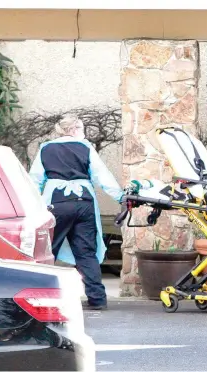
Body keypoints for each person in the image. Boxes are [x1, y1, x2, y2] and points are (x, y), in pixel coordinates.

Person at [29, 115, 124, 311]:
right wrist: (121, 197)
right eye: (81, 129)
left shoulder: (46, 148)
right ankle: (97, 299)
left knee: (48, 250)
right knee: (86, 251)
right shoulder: (85, 147)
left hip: (56, 202)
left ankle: (38, 299)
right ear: (74, 129)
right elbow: (101, 175)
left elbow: (35, 179)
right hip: (84, 201)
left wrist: (29, 203)